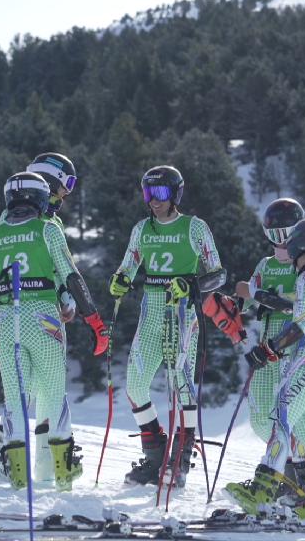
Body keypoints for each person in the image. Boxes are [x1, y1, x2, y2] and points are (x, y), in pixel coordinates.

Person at [0, 171, 110, 492]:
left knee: (16, 399)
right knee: (53, 394)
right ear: (40, 198)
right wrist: (94, 320)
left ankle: (18, 478)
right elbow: (71, 276)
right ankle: (64, 473)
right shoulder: (48, 229)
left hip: (9, 320)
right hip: (45, 318)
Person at [109, 165, 222, 489]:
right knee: (134, 385)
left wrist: (191, 283)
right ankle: (157, 456)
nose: (153, 201)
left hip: (182, 311)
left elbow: (218, 273)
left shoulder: (194, 227)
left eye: (159, 194)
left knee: (179, 379)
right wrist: (119, 282)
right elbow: (127, 267)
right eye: (147, 194)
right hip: (151, 311)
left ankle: (181, 456)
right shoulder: (142, 229)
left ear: (175, 194)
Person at [225, 218, 305, 523]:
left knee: (282, 418)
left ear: (300, 246)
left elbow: (301, 323)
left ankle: (262, 491)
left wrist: (269, 348)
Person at [0, 152, 85, 483]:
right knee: (43, 390)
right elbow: (63, 270)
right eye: (67, 185)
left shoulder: (7, 225)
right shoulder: (42, 223)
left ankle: (37, 470)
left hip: (13, 315)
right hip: (41, 313)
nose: (66, 194)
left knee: (25, 393)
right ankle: (37, 469)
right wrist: (72, 300)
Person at [223, 198, 305, 489]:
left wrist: (273, 299)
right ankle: (286, 469)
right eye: (275, 237)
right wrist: (233, 303)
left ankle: (303, 476)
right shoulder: (266, 264)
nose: (282, 244)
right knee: (261, 417)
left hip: (294, 341)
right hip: (266, 347)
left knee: (288, 416)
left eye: (287, 236)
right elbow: (249, 295)